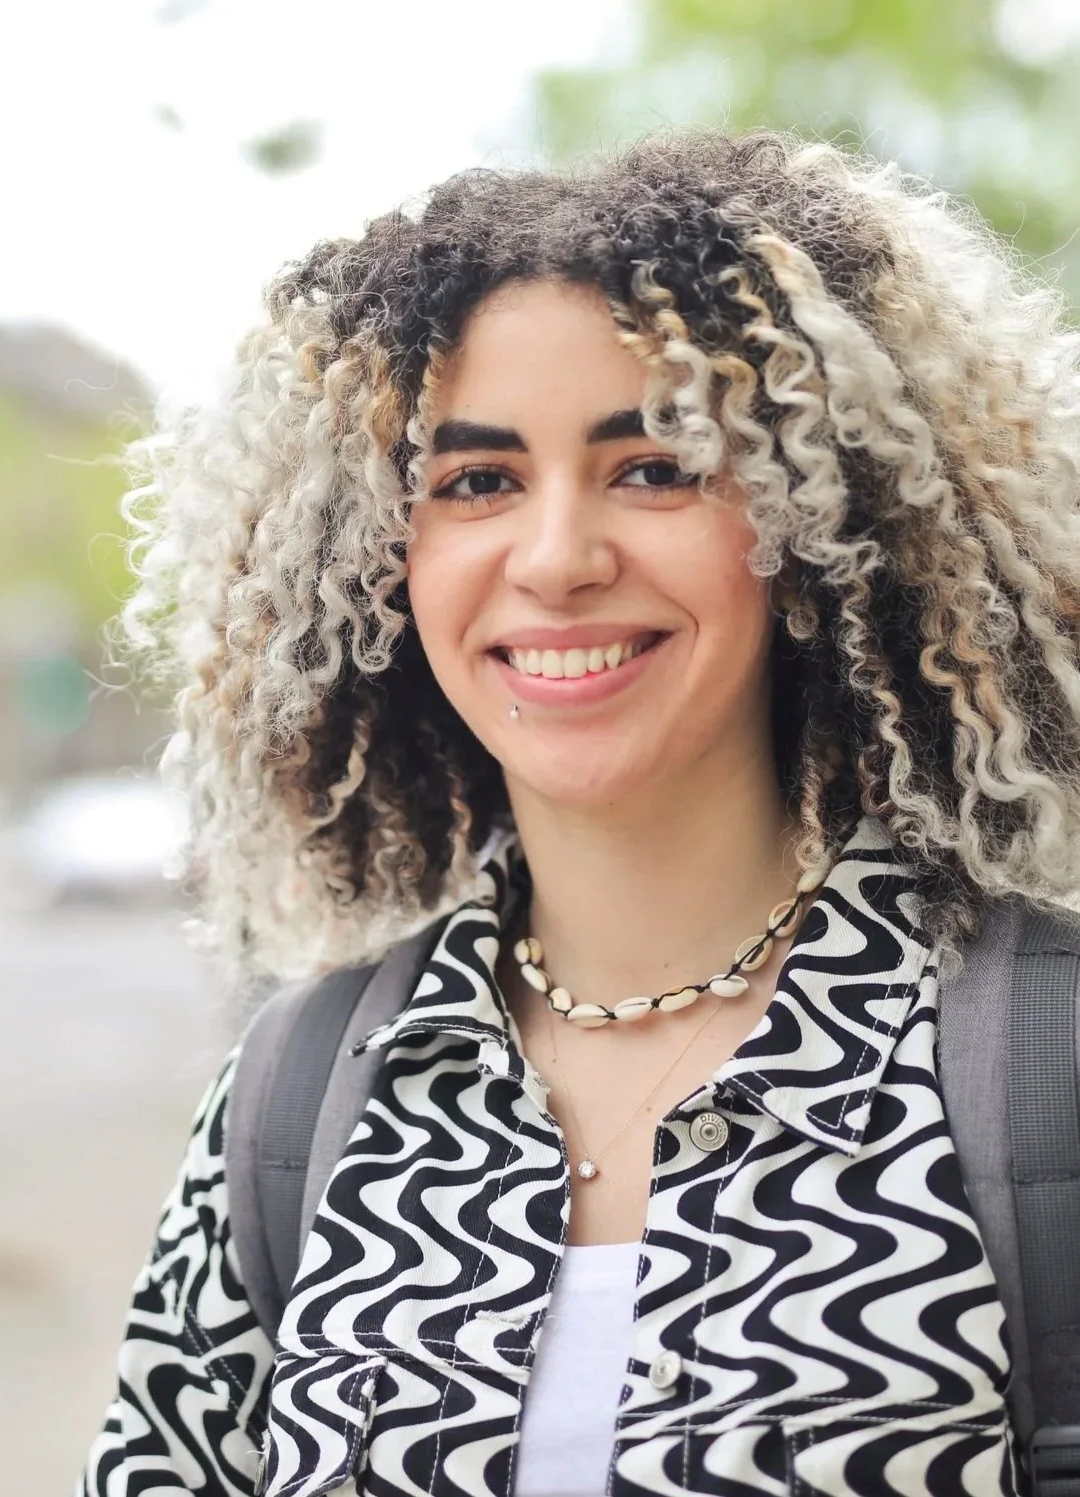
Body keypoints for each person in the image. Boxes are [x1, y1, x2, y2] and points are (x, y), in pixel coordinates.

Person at [77, 129, 1080, 1497]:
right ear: (384, 559)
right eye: (477, 482)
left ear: (810, 526)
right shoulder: (295, 1101)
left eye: (655, 466)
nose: (555, 560)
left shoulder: (1044, 1068)